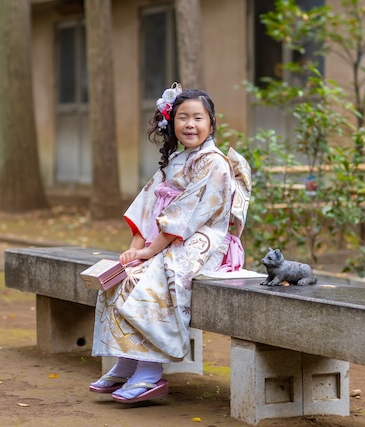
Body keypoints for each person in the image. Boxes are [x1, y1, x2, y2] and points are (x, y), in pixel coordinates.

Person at [89, 83, 251, 403]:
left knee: (155, 275)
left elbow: (188, 214)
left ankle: (150, 371)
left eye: (198, 118)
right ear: (171, 123)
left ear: (211, 124)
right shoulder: (175, 161)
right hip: (166, 238)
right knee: (124, 274)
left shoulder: (213, 162)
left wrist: (150, 251)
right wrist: (135, 249)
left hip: (204, 238)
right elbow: (147, 207)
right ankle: (126, 361)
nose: (190, 124)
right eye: (182, 117)